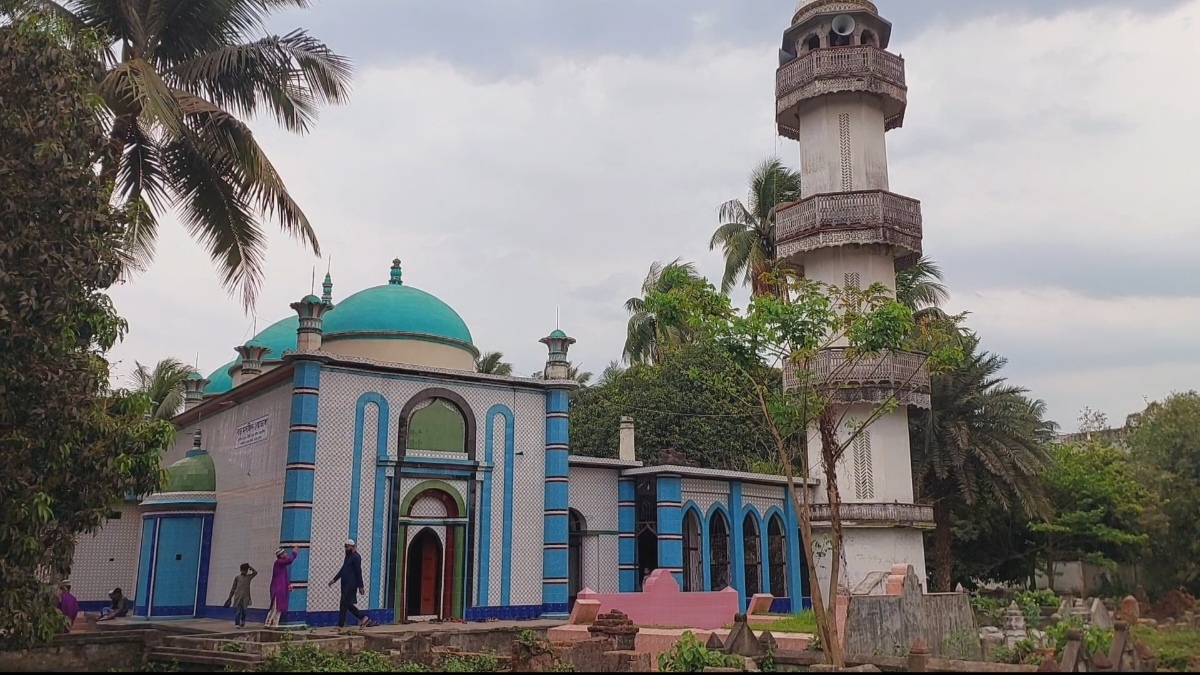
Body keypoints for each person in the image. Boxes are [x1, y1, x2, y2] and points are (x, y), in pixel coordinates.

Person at [329, 539, 376, 628]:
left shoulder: (356, 557)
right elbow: (343, 569)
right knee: (347, 604)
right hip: (345, 584)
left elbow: (359, 572)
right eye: (345, 547)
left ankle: (341, 625)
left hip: (351, 584)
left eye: (347, 547)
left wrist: (361, 586)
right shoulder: (348, 556)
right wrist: (334, 579)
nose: (346, 549)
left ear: (352, 547)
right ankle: (364, 618)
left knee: (343, 603)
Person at [266, 546, 297, 628]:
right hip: (277, 588)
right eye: (284, 553)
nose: (286, 554)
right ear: (281, 555)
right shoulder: (278, 562)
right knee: (275, 607)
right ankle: (268, 623)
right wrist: (294, 552)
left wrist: (288, 584)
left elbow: (284, 576)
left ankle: (275, 624)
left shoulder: (282, 565)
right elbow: (290, 560)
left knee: (280, 608)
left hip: (282, 588)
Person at [224, 563, 258, 628]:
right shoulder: (237, 578)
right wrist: (229, 597)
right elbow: (233, 588)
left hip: (246, 597)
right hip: (238, 597)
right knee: (238, 611)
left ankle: (242, 619)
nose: (245, 571)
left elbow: (255, 572)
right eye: (244, 570)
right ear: (241, 570)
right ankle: (237, 623)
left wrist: (250, 567)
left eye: (246, 570)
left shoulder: (248, 577)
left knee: (245, 610)